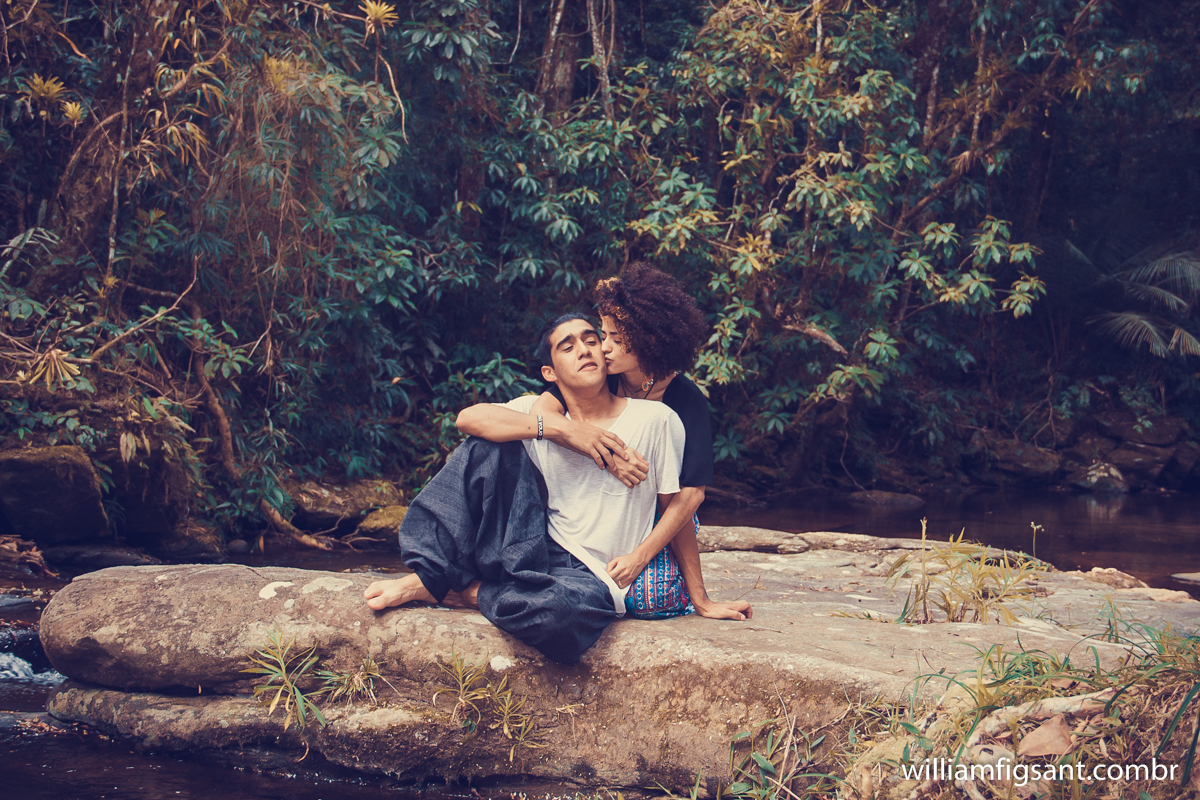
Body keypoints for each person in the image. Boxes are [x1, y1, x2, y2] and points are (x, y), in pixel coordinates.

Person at [363, 313, 691, 663]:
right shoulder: (532, 410)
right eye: (568, 347)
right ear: (550, 372)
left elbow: (677, 507)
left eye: (591, 340)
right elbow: (468, 419)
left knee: (559, 617)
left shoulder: (657, 420)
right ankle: (431, 576)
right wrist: (565, 431)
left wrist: (698, 595)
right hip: (525, 545)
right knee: (487, 445)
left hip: (589, 575)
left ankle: (467, 592)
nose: (584, 350)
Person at [532, 262, 752, 621]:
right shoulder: (603, 378)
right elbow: (544, 414)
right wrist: (608, 454)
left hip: (662, 512)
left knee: (649, 601)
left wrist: (696, 596)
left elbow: (689, 496)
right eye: (603, 336)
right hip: (595, 510)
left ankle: (682, 590)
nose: (602, 348)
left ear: (650, 342)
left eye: (615, 340)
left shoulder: (684, 401)